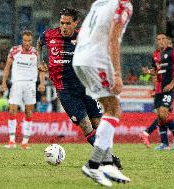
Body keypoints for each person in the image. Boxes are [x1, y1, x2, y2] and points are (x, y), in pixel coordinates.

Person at [37, 8, 122, 170]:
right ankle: (108, 159)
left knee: (98, 123)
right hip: (66, 91)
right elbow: (39, 43)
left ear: (76, 23)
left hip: (86, 87)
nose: (64, 26)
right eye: (62, 23)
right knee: (86, 126)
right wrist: (40, 62)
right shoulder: (49, 35)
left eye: (68, 23)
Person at [73, 0, 133, 187]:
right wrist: (116, 73)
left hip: (80, 58)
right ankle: (93, 164)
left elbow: (83, 32)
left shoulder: (99, 3)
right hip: (97, 59)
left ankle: (107, 164)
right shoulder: (124, 6)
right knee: (114, 110)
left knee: (109, 109)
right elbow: (113, 40)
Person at [2, 30, 45, 150]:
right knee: (12, 110)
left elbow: (42, 69)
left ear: (32, 40)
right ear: (22, 40)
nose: (27, 43)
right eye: (25, 40)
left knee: (29, 112)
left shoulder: (36, 53)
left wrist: (42, 83)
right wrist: (3, 82)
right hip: (16, 83)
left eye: (29, 41)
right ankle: (11, 141)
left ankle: (25, 141)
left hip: (30, 84)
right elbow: (7, 67)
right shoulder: (14, 50)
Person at [140, 34, 174, 150]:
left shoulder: (172, 52)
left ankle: (147, 133)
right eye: (158, 39)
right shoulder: (155, 54)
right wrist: (147, 72)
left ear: (166, 40)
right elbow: (155, 70)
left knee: (163, 113)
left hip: (170, 88)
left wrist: (172, 84)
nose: (161, 41)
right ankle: (165, 143)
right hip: (160, 88)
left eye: (163, 39)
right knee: (160, 116)